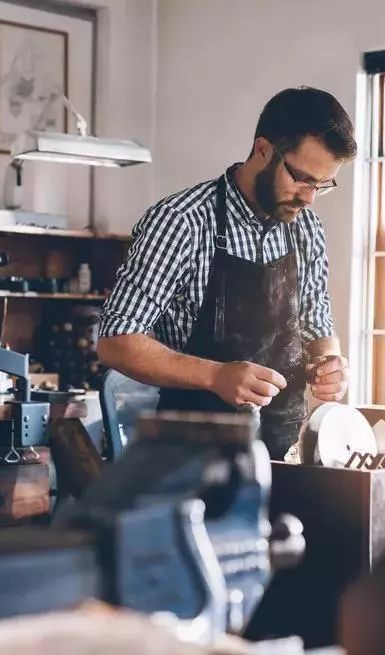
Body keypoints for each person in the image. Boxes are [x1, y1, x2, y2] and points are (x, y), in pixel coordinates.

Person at [97, 86, 355, 459]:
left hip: (286, 454)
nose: (309, 197)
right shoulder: (181, 222)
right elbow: (116, 340)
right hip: (192, 459)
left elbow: (318, 328)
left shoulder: (307, 229)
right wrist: (216, 376)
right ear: (263, 149)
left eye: (322, 185)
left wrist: (331, 364)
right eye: (301, 178)